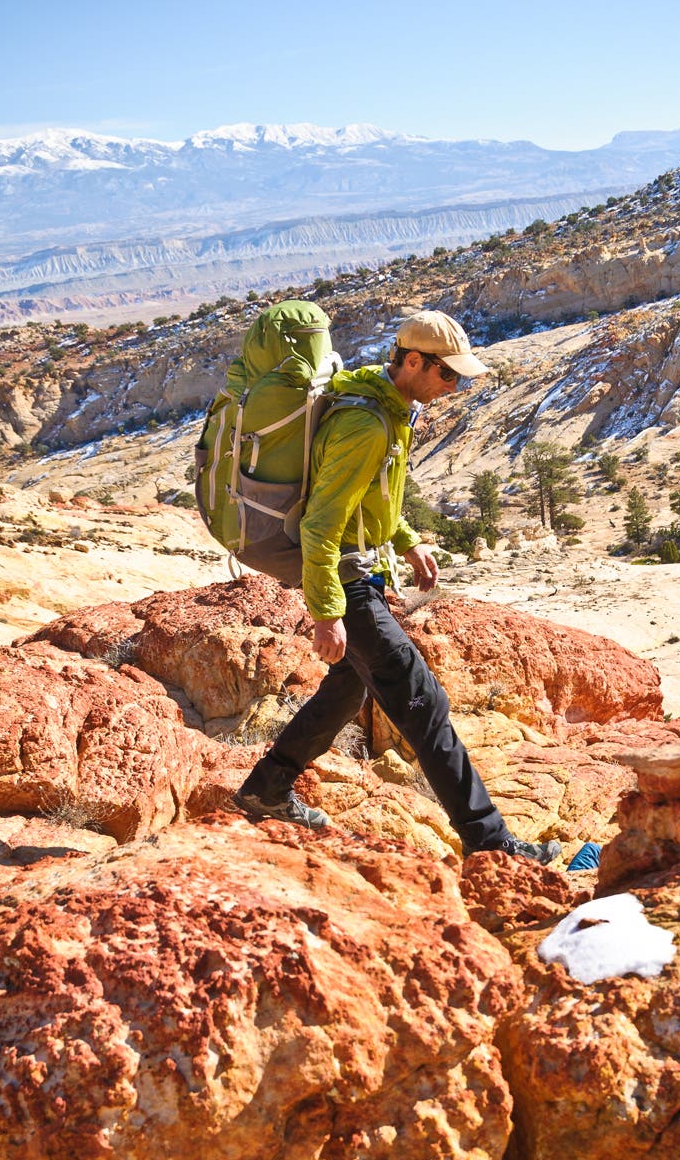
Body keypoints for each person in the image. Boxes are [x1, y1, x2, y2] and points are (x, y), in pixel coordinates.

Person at [235, 308, 561, 864]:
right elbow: (320, 523)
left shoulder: (391, 406)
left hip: (363, 566)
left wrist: (407, 538)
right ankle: (491, 843)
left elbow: (371, 495)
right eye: (447, 374)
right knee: (423, 702)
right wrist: (328, 612)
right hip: (346, 576)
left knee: (348, 688)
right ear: (413, 361)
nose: (454, 387)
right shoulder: (366, 423)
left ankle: (266, 789)